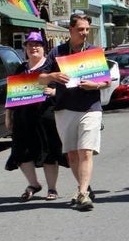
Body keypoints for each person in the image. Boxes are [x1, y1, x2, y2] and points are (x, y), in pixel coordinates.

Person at [39, 13, 110, 211]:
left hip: (90, 108)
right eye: (80, 29)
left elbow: (106, 81)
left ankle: (83, 193)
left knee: (85, 151)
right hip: (64, 108)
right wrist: (52, 75)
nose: (85, 33)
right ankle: (84, 188)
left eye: (87, 29)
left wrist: (94, 86)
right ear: (70, 30)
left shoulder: (94, 52)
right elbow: (40, 78)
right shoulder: (58, 52)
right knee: (72, 155)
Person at [5, 32, 68, 201]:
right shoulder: (20, 69)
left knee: (48, 152)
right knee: (21, 152)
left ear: (43, 48)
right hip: (23, 117)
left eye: (37, 45)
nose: (34, 48)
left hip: (45, 116)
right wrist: (8, 114)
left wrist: (55, 91)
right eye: (30, 45)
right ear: (25, 48)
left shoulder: (51, 67)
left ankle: (52, 188)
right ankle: (34, 183)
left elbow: (67, 85)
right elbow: (12, 93)